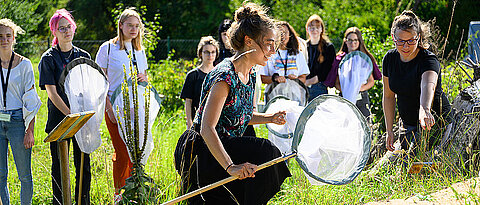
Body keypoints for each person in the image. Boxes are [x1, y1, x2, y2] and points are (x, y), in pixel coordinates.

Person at [175, 3, 291, 204]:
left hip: (224, 144)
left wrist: (269, 118)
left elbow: (238, 116)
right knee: (265, 151)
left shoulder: (251, 72)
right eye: (269, 43)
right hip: (202, 151)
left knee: (267, 160)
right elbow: (207, 128)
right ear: (249, 41)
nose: (273, 50)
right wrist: (231, 167)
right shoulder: (224, 77)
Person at [38, 9, 91, 205]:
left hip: (82, 121)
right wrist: (71, 116)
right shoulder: (48, 58)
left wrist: (82, 117)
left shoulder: (84, 55)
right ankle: (59, 203)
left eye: (69, 27)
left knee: (83, 166)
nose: (66, 31)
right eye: (61, 28)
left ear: (74, 28)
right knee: (59, 167)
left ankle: (82, 201)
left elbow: (89, 89)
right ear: (54, 31)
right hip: (59, 120)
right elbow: (51, 93)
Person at [382, 11, 453, 157]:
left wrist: (424, 109)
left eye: (411, 40)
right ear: (393, 38)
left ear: (418, 37)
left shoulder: (428, 60)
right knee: (406, 162)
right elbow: (388, 96)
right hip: (409, 125)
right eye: (400, 41)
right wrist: (389, 130)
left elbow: (428, 85)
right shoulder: (389, 59)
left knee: (419, 161)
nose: (406, 46)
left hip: (434, 122)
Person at [95, 8, 148, 196]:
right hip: (115, 108)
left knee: (137, 154)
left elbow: (145, 77)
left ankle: (134, 193)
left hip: (138, 109)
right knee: (123, 153)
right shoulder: (107, 48)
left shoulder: (139, 50)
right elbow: (100, 82)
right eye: (130, 25)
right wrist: (109, 109)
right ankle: (119, 194)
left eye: (137, 26)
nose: (134, 29)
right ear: (121, 25)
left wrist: (145, 78)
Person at [0, 18, 41, 205]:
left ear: (14, 38)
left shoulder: (24, 65)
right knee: (0, 175)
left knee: (24, 175)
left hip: (18, 122)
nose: (4, 40)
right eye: (0, 36)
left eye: (8, 36)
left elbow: (31, 100)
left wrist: (30, 130)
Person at [324, 27, 382, 118]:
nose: (353, 43)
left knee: (365, 124)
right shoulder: (340, 59)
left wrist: (359, 89)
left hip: (361, 98)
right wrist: (348, 90)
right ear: (345, 41)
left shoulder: (364, 59)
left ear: (359, 41)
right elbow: (337, 83)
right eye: (350, 40)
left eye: (355, 40)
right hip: (344, 98)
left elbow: (371, 81)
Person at [260, 21, 310, 105]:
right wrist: (275, 79)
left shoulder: (298, 54)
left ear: (290, 35)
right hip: (274, 98)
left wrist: (295, 79)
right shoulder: (268, 54)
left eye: (285, 33)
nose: (282, 35)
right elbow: (263, 78)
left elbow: (303, 78)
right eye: (279, 33)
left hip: (295, 99)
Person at [181, 36, 219, 128]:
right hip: (197, 122)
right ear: (200, 53)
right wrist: (189, 122)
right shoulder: (192, 75)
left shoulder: (220, 74)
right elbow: (188, 101)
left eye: (213, 52)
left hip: (217, 122)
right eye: (207, 52)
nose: (210, 55)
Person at [303, 14, 336, 101]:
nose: (315, 30)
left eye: (317, 27)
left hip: (319, 87)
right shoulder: (303, 46)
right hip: (303, 88)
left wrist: (308, 82)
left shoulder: (328, 47)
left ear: (322, 29)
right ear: (307, 29)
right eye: (312, 27)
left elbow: (325, 72)